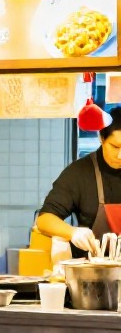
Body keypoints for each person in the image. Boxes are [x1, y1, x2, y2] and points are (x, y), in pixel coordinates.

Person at [36, 106, 121, 256]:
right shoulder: (79, 172)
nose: (120, 156)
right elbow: (44, 220)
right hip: (90, 272)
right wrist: (72, 232)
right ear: (101, 138)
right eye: (115, 146)